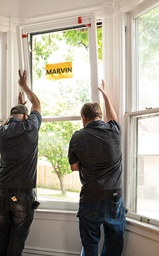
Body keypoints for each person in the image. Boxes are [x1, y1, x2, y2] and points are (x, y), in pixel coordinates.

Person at [68, 80, 126, 256]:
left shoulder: (78, 137)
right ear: (100, 116)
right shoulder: (114, 131)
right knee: (114, 244)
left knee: (90, 244)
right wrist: (105, 95)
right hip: (114, 197)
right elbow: (113, 116)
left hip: (91, 196)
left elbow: (74, 167)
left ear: (83, 118)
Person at [0, 70, 42, 256]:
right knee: (17, 236)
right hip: (22, 194)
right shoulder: (30, 128)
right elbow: (37, 103)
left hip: (3, 193)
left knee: (3, 232)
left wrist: (17, 109)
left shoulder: (0, 132)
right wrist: (24, 86)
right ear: (25, 117)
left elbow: (6, 122)